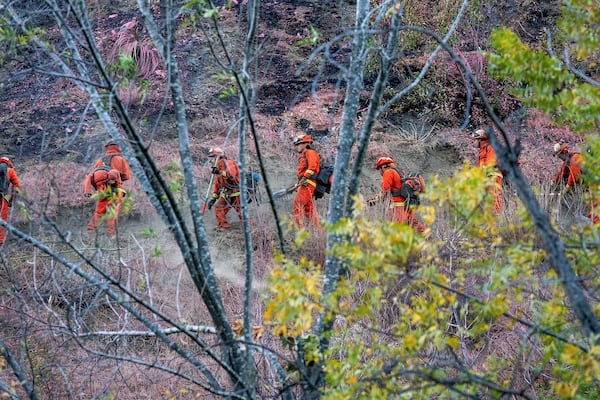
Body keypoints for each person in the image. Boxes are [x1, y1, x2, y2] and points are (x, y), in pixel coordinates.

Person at [84, 140, 131, 237]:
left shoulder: (100, 161)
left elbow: (94, 175)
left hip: (103, 191)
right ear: (118, 148)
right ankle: (111, 235)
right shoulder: (120, 159)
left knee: (99, 212)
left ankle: (90, 232)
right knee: (112, 213)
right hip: (116, 190)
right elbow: (126, 177)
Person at [368, 156, 425, 233]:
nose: (380, 172)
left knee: (398, 232)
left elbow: (385, 191)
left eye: (379, 169)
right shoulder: (398, 173)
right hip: (405, 207)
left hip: (397, 208)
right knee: (417, 228)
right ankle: (431, 241)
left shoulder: (388, 173)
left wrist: (373, 200)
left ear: (383, 167)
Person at [552, 139, 598, 224]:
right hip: (590, 185)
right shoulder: (568, 160)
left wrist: (564, 191)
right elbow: (562, 173)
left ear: (565, 152)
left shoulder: (575, 158)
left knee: (595, 209)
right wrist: (553, 183)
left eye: (560, 155)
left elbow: (574, 177)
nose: (559, 157)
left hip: (595, 184)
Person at [207, 147, 242, 229]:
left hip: (237, 192)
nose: (211, 161)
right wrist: (213, 199)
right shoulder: (218, 169)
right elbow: (217, 184)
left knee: (241, 212)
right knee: (219, 208)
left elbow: (232, 175)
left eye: (212, 158)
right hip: (227, 194)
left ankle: (250, 227)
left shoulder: (229, 163)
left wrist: (219, 172)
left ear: (218, 157)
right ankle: (224, 226)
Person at [292, 134, 322, 229]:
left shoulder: (310, 153)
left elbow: (312, 168)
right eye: (296, 145)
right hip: (306, 184)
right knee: (309, 211)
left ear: (306, 144)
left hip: (308, 184)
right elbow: (304, 172)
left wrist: (304, 178)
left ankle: (300, 233)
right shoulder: (304, 155)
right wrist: (299, 183)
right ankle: (322, 232)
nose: (297, 146)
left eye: (299, 144)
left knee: (298, 204)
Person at [472, 129, 503, 214]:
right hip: (486, 177)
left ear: (480, 139)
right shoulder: (482, 150)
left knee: (494, 196)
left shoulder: (490, 148)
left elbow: (491, 164)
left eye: (474, 140)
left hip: (493, 175)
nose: (473, 143)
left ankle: (497, 216)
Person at [0, 157, 20, 245]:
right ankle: (0, 241)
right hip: (3, 197)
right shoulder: (10, 171)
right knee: (2, 218)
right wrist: (11, 199)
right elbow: (16, 187)